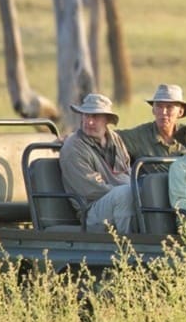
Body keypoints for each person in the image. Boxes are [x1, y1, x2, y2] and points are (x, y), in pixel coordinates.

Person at [58, 93, 137, 233]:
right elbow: (92, 189)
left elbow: (126, 171)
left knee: (147, 191)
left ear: (106, 119)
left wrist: (140, 191)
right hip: (91, 210)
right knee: (126, 194)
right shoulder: (73, 147)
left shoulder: (115, 139)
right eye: (86, 116)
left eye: (95, 117)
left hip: (116, 199)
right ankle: (129, 246)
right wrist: (131, 191)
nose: (89, 122)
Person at [116, 83, 186, 173]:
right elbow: (110, 138)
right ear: (153, 110)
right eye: (159, 106)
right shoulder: (139, 136)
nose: (163, 112)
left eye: (169, 107)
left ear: (180, 112)